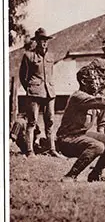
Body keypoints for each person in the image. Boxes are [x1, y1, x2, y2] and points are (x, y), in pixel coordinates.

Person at [19, 27, 63, 158]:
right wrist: (31, 87)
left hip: (49, 93)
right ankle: (29, 151)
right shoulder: (29, 56)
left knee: (50, 121)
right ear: (36, 41)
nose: (43, 42)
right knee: (32, 122)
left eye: (45, 40)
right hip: (34, 93)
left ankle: (51, 149)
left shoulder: (51, 56)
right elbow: (23, 76)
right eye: (40, 40)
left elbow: (50, 74)